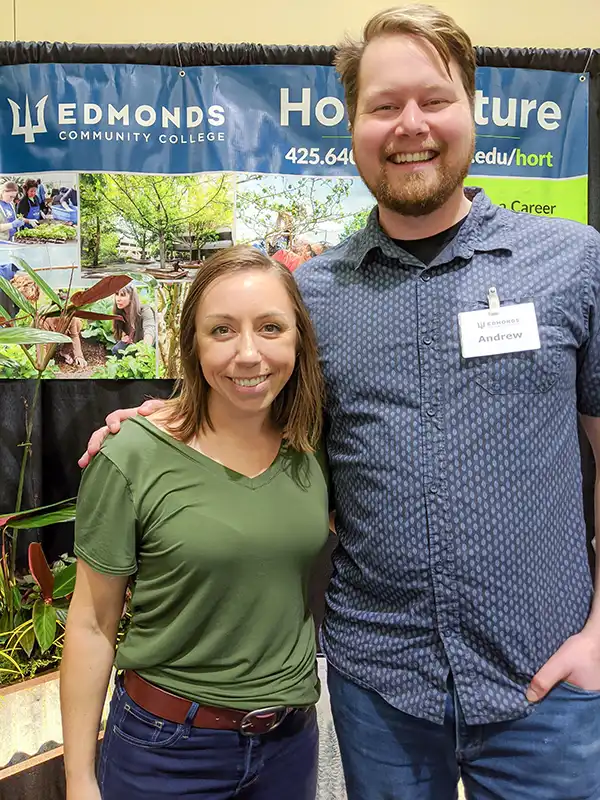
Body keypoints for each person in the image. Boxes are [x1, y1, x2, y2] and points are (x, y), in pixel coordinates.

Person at [80, 5, 600, 798]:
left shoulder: (572, 261)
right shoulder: (313, 295)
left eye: (434, 99)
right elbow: (254, 414)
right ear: (352, 125)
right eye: (384, 105)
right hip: (380, 689)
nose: (410, 125)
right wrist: (169, 423)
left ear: (474, 108)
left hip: (548, 685)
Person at [62, 245, 329, 800]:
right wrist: (79, 778)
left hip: (290, 743)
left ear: (299, 340)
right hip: (166, 750)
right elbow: (91, 624)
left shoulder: (312, 448)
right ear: (193, 344)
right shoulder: (132, 455)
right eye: (222, 330)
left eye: (271, 327)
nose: (248, 354)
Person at [111, 284, 156, 358]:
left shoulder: (145, 310)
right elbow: (118, 331)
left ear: (131, 297)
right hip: (133, 343)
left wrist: (145, 351)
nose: (118, 299)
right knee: (116, 350)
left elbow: (149, 329)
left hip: (148, 344)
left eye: (122, 295)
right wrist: (124, 336)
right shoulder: (120, 313)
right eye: (116, 294)